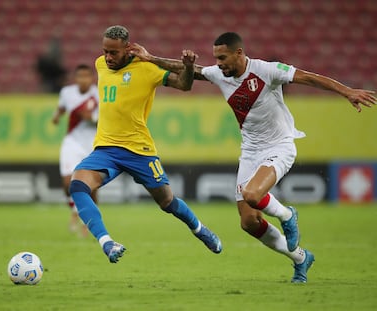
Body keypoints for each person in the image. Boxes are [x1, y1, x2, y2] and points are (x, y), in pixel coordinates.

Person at [130, 32, 376, 283]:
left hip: (279, 146)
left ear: (239, 53)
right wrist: (149, 58)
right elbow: (194, 70)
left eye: (223, 57)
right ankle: (301, 258)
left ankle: (287, 215)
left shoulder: (266, 70)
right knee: (248, 222)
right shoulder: (219, 74)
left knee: (251, 194)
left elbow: (309, 78)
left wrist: (347, 92)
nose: (219, 63)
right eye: (216, 58)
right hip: (250, 152)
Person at [69, 25, 222, 263]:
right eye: (105, 51)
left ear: (128, 49)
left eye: (114, 53)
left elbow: (184, 84)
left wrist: (189, 66)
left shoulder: (147, 69)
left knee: (167, 202)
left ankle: (200, 229)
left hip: (139, 151)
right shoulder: (100, 64)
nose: (108, 58)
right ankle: (107, 242)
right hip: (106, 148)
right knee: (77, 185)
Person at [52, 64, 99, 236]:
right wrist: (57, 116)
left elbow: (106, 120)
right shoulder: (67, 92)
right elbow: (62, 107)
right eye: (80, 76)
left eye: (86, 76)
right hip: (72, 141)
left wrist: (92, 119)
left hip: (93, 143)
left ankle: (90, 223)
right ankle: (75, 210)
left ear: (92, 78)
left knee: (92, 187)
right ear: (76, 78)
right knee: (67, 184)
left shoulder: (99, 93)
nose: (83, 80)